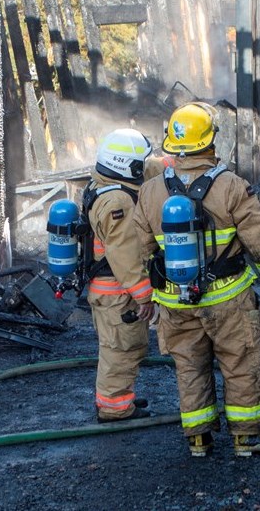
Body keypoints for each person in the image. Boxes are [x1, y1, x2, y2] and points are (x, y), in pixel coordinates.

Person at [132, 102, 260, 458]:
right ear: (210, 142)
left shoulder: (150, 191)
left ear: (172, 142)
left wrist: (150, 294)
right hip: (228, 299)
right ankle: (247, 439)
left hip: (175, 301)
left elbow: (142, 249)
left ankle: (198, 440)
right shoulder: (232, 185)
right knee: (241, 363)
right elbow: (257, 241)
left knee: (189, 367)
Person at [84, 128, 156, 423]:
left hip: (106, 290)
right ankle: (115, 407)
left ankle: (116, 397)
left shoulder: (100, 185)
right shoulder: (119, 203)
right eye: (139, 164)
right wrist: (144, 295)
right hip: (118, 292)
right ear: (127, 166)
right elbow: (125, 254)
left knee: (115, 347)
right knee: (122, 348)